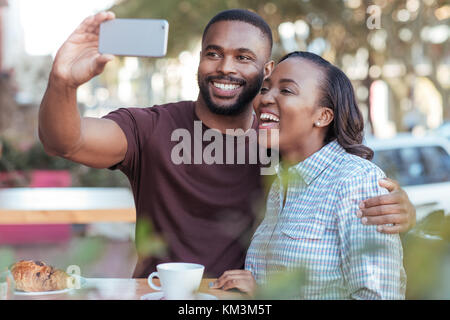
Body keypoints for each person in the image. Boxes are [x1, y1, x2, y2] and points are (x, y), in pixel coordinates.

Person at [38, 9, 415, 278]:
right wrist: (63, 82)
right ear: (200, 60)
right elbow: (66, 142)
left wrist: (402, 212)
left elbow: (342, 194)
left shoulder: (280, 142)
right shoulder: (152, 127)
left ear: (267, 70)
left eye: (243, 57)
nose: (225, 67)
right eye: (213, 53)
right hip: (161, 293)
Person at [212, 52, 406, 299]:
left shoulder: (356, 181)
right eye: (265, 88)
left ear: (323, 116)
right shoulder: (281, 185)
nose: (264, 99)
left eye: (287, 91)